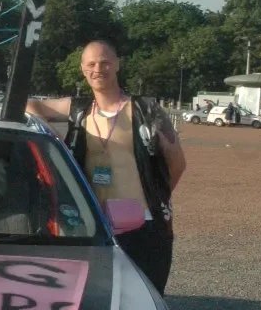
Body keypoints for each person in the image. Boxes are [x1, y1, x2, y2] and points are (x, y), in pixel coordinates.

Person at [26, 39, 186, 293]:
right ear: (82, 68)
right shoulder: (79, 110)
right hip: (94, 226)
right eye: (91, 64)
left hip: (142, 226)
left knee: (144, 296)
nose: (97, 69)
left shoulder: (146, 110)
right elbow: (30, 105)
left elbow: (177, 162)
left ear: (118, 65)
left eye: (105, 62)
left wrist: (156, 197)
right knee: (97, 297)